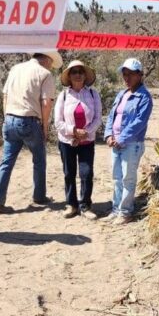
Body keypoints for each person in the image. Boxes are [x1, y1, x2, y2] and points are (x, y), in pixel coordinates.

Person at [0, 51, 62, 213]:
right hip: (29, 120)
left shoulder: (16, 68)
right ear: (48, 59)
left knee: (6, 161)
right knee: (39, 159)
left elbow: (5, 96)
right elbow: (46, 103)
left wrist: (6, 117)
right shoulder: (45, 74)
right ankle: (39, 196)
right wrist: (44, 126)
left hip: (10, 118)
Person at [103, 58, 154, 225]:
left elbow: (139, 122)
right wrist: (109, 135)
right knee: (116, 177)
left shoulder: (144, 97)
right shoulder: (122, 94)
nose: (127, 78)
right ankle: (116, 209)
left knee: (127, 178)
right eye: (125, 74)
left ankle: (126, 212)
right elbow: (112, 115)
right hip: (116, 143)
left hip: (131, 144)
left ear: (140, 75)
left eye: (131, 74)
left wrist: (122, 138)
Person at [54, 60, 102, 219]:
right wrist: (73, 131)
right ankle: (71, 204)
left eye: (81, 72)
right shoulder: (63, 95)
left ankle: (85, 206)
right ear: (69, 76)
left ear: (85, 75)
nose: (78, 75)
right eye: (74, 72)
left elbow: (97, 119)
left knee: (86, 173)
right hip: (67, 142)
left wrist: (85, 132)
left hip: (87, 141)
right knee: (69, 173)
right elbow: (58, 122)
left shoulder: (93, 94)